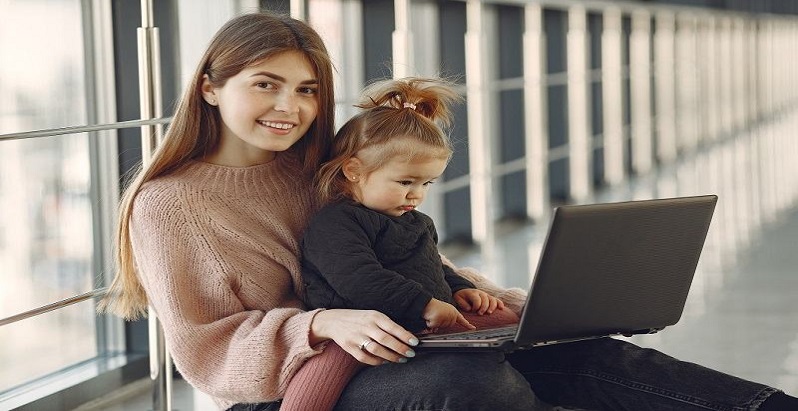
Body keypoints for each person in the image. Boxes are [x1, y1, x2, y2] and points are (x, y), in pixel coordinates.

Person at [98, 10, 798, 411]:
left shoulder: (317, 170)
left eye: (308, 90)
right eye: (267, 85)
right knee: (474, 382)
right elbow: (204, 350)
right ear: (211, 90)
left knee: (579, 352)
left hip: (393, 346)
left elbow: (398, 253)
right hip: (289, 388)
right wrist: (320, 322)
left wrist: (488, 295)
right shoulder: (168, 205)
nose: (292, 108)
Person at [281, 77, 521, 411]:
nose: (417, 194)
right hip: (359, 333)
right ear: (353, 170)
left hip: (419, 325)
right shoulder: (336, 223)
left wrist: (460, 288)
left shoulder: (417, 222)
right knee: (321, 377)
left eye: (427, 183)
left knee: (505, 319)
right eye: (405, 182)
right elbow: (358, 279)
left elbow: (431, 265)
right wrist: (423, 304)